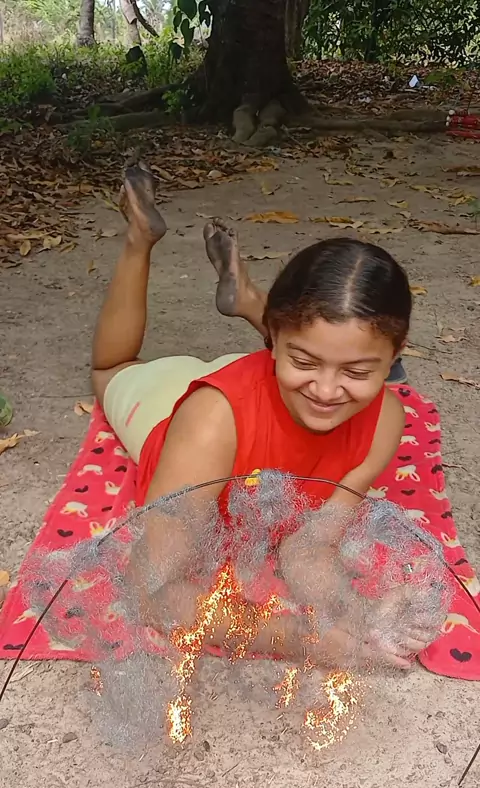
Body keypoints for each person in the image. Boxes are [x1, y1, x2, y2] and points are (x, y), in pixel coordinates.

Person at [91, 163, 436, 671]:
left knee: (311, 369)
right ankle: (139, 238)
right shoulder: (211, 422)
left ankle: (252, 303)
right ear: (272, 340)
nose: (327, 391)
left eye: (358, 370)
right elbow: (148, 591)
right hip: (179, 410)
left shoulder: (383, 419)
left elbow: (308, 549)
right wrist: (296, 639)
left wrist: (358, 619)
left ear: (395, 357)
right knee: (112, 368)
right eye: (305, 360)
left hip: (271, 387)